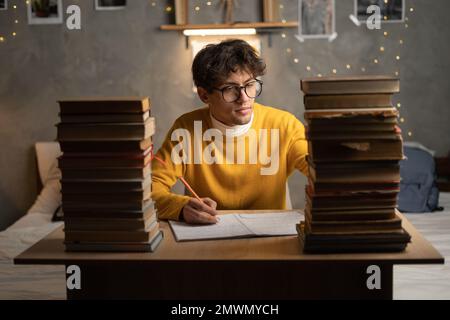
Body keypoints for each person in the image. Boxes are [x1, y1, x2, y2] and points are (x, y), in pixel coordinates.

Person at [152, 39, 308, 224]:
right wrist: (180, 207)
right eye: (230, 89)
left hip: (273, 237)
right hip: (207, 236)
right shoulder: (186, 128)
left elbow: (321, 169)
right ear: (204, 95)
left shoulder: (284, 125)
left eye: (250, 85)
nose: (244, 99)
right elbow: (150, 188)